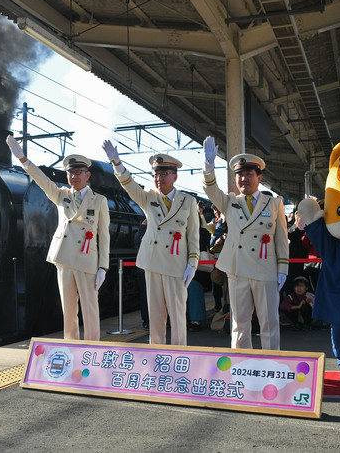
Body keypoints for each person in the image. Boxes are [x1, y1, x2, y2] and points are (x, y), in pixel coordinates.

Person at [7, 135, 109, 341]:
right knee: (68, 310)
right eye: (70, 173)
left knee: (90, 309)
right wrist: (23, 159)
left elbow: (104, 236)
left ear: (87, 174)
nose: (74, 177)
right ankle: (71, 345)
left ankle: (92, 347)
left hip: (86, 259)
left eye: (78, 172)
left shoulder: (99, 201)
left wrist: (103, 267)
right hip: (63, 258)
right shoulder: (60, 194)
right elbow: (42, 180)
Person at [102, 140, 199, 346]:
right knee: (155, 316)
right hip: (152, 264)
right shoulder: (148, 198)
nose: (159, 178)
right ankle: (157, 355)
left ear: (175, 176)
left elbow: (193, 236)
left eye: (163, 174)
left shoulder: (188, 201)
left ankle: (179, 354)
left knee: (178, 315)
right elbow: (128, 185)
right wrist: (116, 163)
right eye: (155, 174)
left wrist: (193, 263)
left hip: (176, 265)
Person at [201, 136, 289, 350]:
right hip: (238, 270)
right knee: (240, 325)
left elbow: (281, 239)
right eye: (239, 175)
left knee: (269, 323)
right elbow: (211, 191)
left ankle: (272, 364)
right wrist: (208, 166)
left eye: (248, 174)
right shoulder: (230, 201)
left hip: (266, 270)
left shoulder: (274, 203)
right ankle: (241, 364)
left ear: (259, 177)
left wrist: (283, 269)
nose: (243, 179)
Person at [188, 211, 212, 331]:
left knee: (194, 289)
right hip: (181, 267)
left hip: (198, 269)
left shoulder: (202, 232)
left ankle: (195, 320)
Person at [134, 219, 149, 330]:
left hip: (146, 268)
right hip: (144, 268)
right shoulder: (146, 225)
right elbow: (137, 240)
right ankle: (147, 321)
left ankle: (148, 321)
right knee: (146, 296)